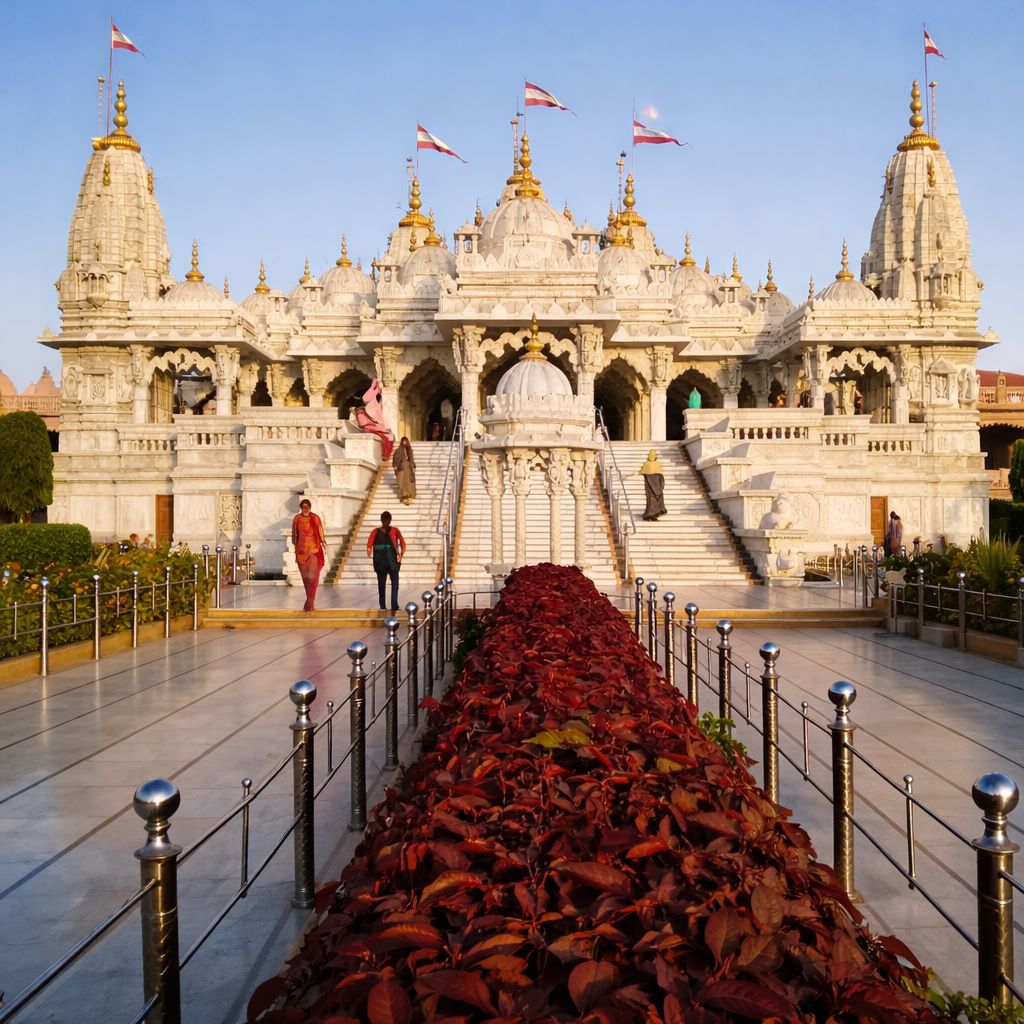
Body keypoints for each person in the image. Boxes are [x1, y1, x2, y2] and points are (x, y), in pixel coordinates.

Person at [366, 510, 406, 611]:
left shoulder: (375, 531)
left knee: (381, 584)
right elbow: (403, 543)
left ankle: (383, 606)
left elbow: (369, 546)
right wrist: (401, 555)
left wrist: (370, 552)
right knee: (395, 583)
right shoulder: (395, 530)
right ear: (390, 520)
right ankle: (394, 605)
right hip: (392, 561)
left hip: (380, 563)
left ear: (381, 520)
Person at [291, 498, 326, 612]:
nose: (305, 509)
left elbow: (320, 532)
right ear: (301, 508)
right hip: (301, 552)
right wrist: (298, 547)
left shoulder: (315, 518)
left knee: (312, 577)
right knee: (306, 579)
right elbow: (294, 535)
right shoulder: (297, 519)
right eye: (303, 507)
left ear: (310, 507)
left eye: (307, 507)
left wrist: (323, 544)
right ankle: (309, 603)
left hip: (314, 550)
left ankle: (309, 602)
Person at [638, 449, 667, 521]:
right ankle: (653, 515)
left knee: (651, 500)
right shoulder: (657, 464)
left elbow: (643, 473)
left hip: (650, 487)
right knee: (655, 499)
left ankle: (651, 515)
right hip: (657, 486)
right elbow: (661, 476)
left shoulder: (646, 464)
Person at [393, 436, 416, 505]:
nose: (404, 443)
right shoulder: (399, 450)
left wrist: (413, 465)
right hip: (402, 469)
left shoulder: (409, 450)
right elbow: (395, 459)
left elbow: (411, 459)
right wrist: (395, 466)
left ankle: (410, 496)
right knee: (402, 483)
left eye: (406, 441)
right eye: (403, 441)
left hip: (408, 469)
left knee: (410, 482)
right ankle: (405, 497)